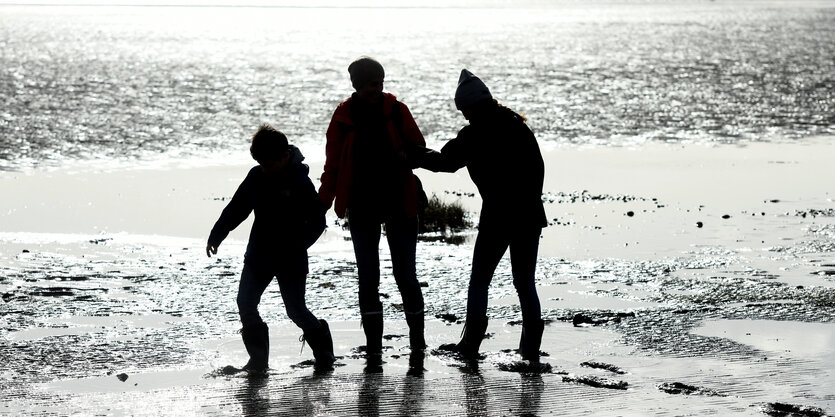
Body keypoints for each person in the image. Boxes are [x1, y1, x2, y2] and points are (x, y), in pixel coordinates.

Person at [412, 69, 548, 363]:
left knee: (480, 280)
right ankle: (530, 348)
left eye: (463, 110)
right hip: (529, 213)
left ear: (470, 106)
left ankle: (470, 344)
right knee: (525, 281)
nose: (463, 116)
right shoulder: (517, 125)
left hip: (498, 216)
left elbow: (446, 163)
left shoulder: (475, 133)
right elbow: (538, 169)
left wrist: (413, 156)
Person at [318, 57, 426, 355]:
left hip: (400, 201)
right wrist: (320, 206)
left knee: (406, 276)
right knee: (368, 277)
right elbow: (333, 166)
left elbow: (418, 146)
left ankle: (418, 342)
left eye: (379, 84)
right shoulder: (342, 117)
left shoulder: (396, 110)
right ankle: (374, 348)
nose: (375, 90)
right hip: (361, 205)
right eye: (369, 86)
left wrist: (412, 155)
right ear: (356, 85)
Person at [206, 124, 334, 373]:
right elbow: (236, 208)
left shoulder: (300, 180)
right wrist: (217, 234)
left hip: (291, 259)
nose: (267, 169)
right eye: (262, 164)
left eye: (271, 164)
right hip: (258, 256)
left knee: (295, 310)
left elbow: (318, 221)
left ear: (286, 156)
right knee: (245, 303)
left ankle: (324, 352)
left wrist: (299, 245)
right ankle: (258, 360)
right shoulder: (256, 177)